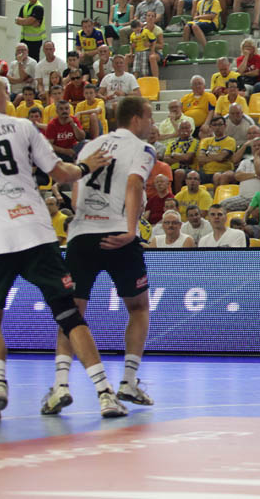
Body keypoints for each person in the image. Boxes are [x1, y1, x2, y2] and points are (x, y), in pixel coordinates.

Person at [0, 72, 126, 419]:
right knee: (68, 314)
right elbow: (62, 174)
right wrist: (85, 166)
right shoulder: (22, 127)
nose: (8, 98)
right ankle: (105, 394)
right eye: (5, 92)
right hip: (35, 233)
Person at [53, 96, 157, 412]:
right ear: (136, 119)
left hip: (81, 235)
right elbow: (134, 183)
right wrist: (130, 230)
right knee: (139, 307)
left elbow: (74, 197)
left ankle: (60, 386)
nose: (152, 124)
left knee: (72, 313)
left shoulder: (90, 145)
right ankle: (128, 381)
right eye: (149, 118)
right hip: (118, 236)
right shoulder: (142, 148)